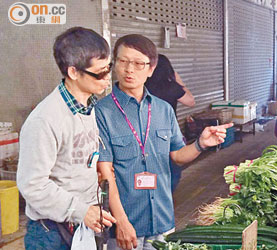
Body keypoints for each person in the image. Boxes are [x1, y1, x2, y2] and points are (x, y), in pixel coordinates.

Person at [95, 34, 232, 250]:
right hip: (124, 226)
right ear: (114, 64)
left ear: (151, 69)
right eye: (123, 61)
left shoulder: (163, 109)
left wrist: (201, 144)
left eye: (139, 63)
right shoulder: (102, 112)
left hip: (162, 219)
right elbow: (104, 173)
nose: (130, 69)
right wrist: (120, 222)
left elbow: (177, 156)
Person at [16, 27, 116, 249]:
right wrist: (82, 211)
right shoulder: (45, 120)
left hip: (81, 224)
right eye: (99, 72)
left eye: (109, 67)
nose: (107, 78)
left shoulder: (88, 107)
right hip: (51, 233)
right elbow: (32, 185)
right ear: (73, 72)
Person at [144, 54, 195, 193]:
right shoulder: (172, 87)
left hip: (144, 132)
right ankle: (166, 194)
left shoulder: (143, 86)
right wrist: (179, 81)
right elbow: (191, 101)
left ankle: (152, 194)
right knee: (173, 167)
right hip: (168, 133)